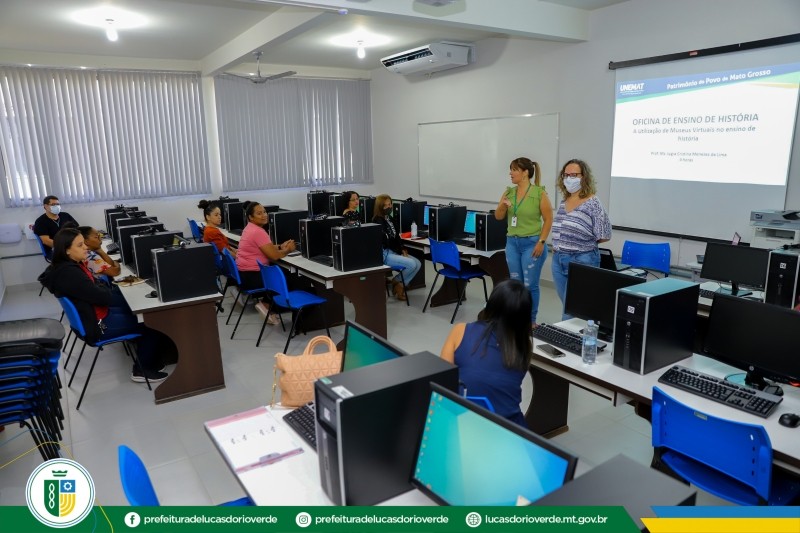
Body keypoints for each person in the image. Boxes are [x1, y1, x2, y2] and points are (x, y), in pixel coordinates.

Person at [38, 228, 168, 383]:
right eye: (80, 245)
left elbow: (98, 288)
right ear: (67, 250)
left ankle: (147, 356)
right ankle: (142, 370)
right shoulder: (69, 274)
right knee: (152, 324)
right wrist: (100, 287)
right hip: (98, 325)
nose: (85, 247)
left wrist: (99, 286)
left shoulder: (67, 266)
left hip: (94, 316)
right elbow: (103, 296)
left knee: (133, 310)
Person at [440, 280, 532, 427]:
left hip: (462, 421)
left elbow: (442, 381)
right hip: (510, 429)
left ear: (491, 304)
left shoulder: (460, 330)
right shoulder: (523, 347)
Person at [494, 157, 553, 328]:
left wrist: (541, 242)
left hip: (532, 244)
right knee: (516, 284)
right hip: (512, 243)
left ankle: (530, 320)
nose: (510, 173)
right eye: (510, 169)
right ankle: (516, 317)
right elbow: (498, 216)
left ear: (526, 173)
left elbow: (548, 219)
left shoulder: (539, 193)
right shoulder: (508, 192)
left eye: (514, 170)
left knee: (530, 285)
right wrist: (504, 206)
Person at [550, 159, 612, 318]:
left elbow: (604, 235)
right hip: (558, 259)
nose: (569, 178)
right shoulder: (565, 201)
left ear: (584, 177)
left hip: (582, 259)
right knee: (568, 306)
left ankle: (568, 339)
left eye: (574, 175)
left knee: (573, 310)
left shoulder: (593, 202)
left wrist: (579, 243)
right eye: (566, 175)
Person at [235, 201, 296, 321]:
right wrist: (288, 250)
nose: (264, 215)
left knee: (286, 274)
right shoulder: (258, 232)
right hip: (253, 277)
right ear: (250, 217)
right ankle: (266, 305)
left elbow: (265, 247)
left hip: (244, 276)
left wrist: (280, 246)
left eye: (264, 212)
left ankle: (271, 305)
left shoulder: (250, 228)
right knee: (292, 279)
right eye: (259, 213)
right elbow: (273, 256)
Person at [373, 194, 421, 301]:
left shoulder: (390, 219)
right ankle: (398, 283)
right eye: (385, 205)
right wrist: (398, 250)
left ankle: (398, 283)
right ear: (380, 207)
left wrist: (402, 249)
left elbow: (397, 237)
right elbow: (387, 241)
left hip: (394, 251)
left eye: (390, 204)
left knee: (418, 264)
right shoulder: (377, 221)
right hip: (385, 254)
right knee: (412, 264)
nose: (389, 207)